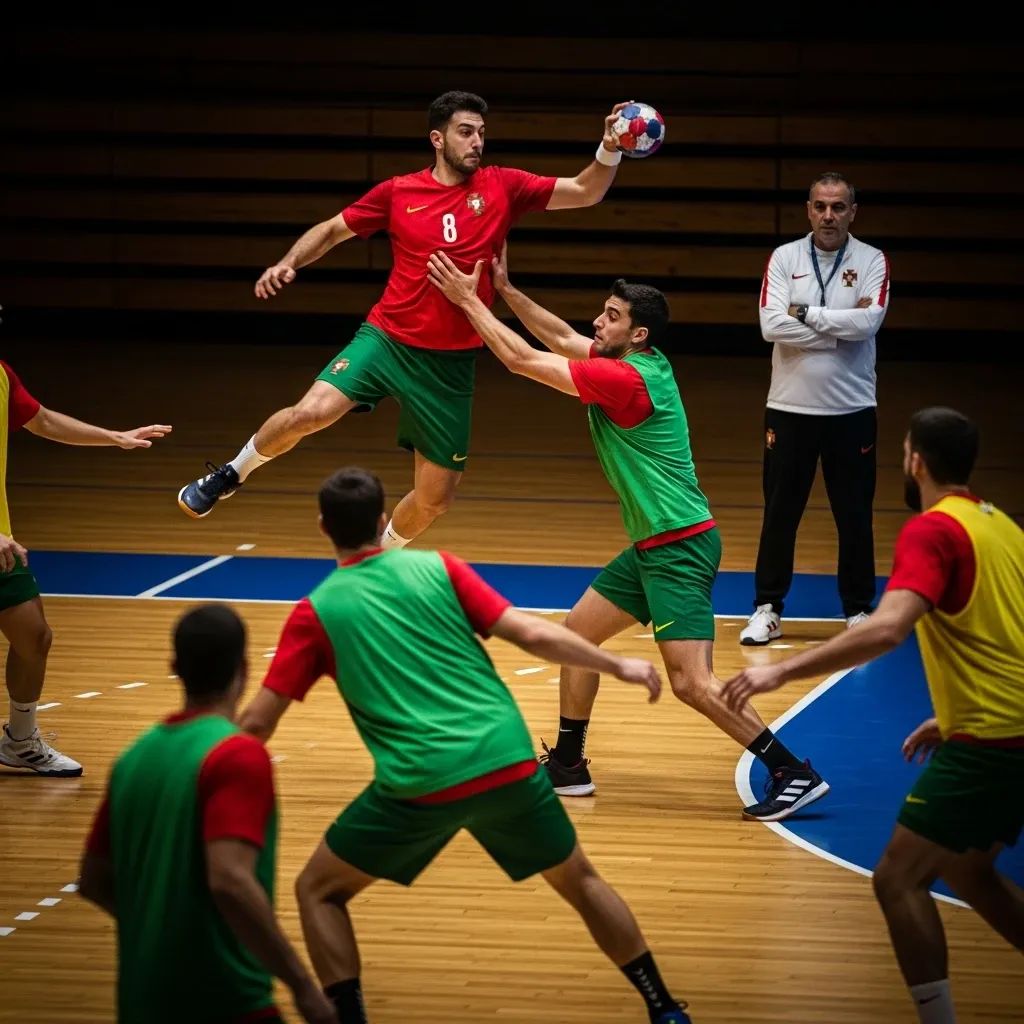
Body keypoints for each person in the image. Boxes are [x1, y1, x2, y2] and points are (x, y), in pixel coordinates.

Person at [238, 467, 693, 1024]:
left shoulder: (315, 614)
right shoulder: (439, 568)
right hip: (507, 763)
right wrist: (614, 661)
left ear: (322, 527)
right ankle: (664, 1007)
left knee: (317, 891)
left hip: (418, 783)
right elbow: (530, 632)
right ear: (384, 520)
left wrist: (194, 767)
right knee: (581, 882)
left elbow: (258, 724)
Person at [427, 245, 829, 822]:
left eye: (611, 316)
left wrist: (468, 301)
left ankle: (791, 771)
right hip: (653, 544)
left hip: (678, 548)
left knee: (691, 682)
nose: (598, 321)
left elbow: (520, 360)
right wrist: (507, 291)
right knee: (578, 634)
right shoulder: (635, 362)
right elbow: (564, 340)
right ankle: (568, 763)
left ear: (638, 335)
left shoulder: (627, 382)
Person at [177, 90, 631, 550]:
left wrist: (609, 147)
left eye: (481, 133)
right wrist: (289, 262)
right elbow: (333, 229)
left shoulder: (503, 185)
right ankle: (232, 472)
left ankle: (378, 558)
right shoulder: (399, 192)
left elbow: (586, 190)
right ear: (438, 138)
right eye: (465, 132)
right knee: (308, 413)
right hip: (387, 339)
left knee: (435, 501)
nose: (477, 142)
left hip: (450, 364)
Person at [722, 407, 1024, 1024]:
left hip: (992, 744)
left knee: (898, 879)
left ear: (914, 461)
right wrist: (954, 714)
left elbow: (886, 630)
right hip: (1003, 726)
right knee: (969, 870)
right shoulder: (1003, 528)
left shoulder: (933, 531)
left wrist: (779, 670)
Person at [78, 604, 336, 1024]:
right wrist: (303, 986)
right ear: (245, 668)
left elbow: (92, 880)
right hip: (227, 999)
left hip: (142, 1003)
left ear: (175, 667)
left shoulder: (133, 758)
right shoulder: (237, 755)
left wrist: (162, 929)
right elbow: (230, 880)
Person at [0, 356, 171, 777]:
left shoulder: (1, 374)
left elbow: (41, 420)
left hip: (2, 545)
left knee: (34, 637)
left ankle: (19, 741)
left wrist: (113, 437)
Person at [741, 171, 891, 646]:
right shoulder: (785, 258)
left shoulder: (872, 260)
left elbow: (868, 324)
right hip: (789, 409)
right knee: (780, 513)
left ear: (852, 212)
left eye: (839, 207)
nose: (829, 215)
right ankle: (767, 609)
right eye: (821, 206)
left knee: (853, 514)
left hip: (852, 410)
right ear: (809, 209)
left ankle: (859, 612)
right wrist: (836, 327)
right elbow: (770, 325)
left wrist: (804, 314)